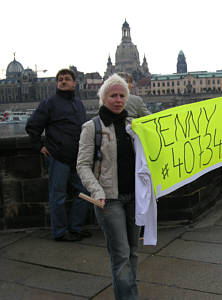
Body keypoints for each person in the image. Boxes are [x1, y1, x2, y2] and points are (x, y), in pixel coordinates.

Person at [77, 74, 140, 300]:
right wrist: (96, 191)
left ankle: (127, 294)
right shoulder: (90, 127)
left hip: (134, 198)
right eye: (113, 95)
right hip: (108, 200)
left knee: (133, 252)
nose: (118, 99)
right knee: (121, 254)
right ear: (103, 98)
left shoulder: (135, 126)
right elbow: (83, 166)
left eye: (122, 95)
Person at [25, 69, 90, 242]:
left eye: (67, 79)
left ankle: (75, 228)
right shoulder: (49, 103)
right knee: (58, 196)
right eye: (60, 79)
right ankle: (60, 232)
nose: (63, 82)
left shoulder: (78, 104)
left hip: (78, 157)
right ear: (57, 83)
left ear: (74, 83)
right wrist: (38, 146)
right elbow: (33, 126)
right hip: (58, 156)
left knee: (85, 192)